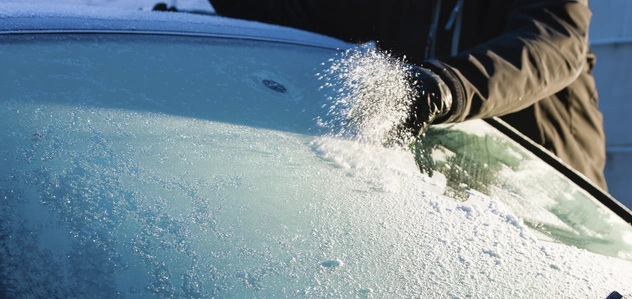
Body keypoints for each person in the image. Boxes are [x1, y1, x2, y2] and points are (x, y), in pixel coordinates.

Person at [208, 0, 607, 190]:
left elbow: (555, 43)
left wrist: (446, 86)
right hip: (451, 196)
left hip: (551, 190)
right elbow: (300, 14)